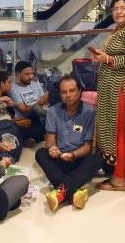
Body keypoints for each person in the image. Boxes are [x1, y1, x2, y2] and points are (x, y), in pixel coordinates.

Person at [89, 0, 125, 191]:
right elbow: (119, 55)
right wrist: (102, 56)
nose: (118, 11)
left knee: (120, 133)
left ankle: (119, 179)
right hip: (116, 88)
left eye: (123, 8)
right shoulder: (121, 30)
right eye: (115, 8)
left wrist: (108, 60)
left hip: (124, 90)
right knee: (121, 132)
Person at [35, 75, 103, 211]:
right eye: (64, 92)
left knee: (97, 158)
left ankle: (61, 192)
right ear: (60, 94)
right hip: (59, 158)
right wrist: (52, 148)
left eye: (72, 91)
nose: (68, 95)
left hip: (78, 158)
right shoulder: (53, 111)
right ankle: (74, 191)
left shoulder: (89, 112)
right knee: (40, 153)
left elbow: (87, 147)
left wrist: (72, 155)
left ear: (79, 92)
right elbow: (50, 138)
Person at [9, 61, 47, 147]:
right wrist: (38, 103)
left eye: (32, 73)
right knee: (36, 110)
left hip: (38, 116)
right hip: (24, 118)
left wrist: (40, 103)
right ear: (18, 74)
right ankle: (37, 136)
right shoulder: (13, 89)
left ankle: (34, 138)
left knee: (41, 114)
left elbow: (44, 102)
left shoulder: (35, 84)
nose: (31, 76)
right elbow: (23, 109)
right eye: (27, 74)